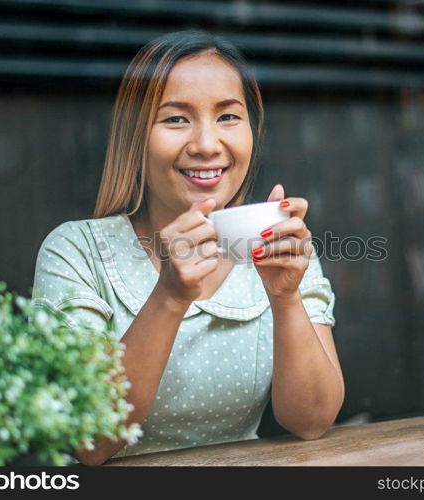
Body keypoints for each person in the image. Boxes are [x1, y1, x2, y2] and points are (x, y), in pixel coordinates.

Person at [32, 30, 344, 466]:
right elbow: (90, 442)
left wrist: (286, 297)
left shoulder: (278, 244)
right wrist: (170, 296)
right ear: (136, 136)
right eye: (176, 119)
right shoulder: (77, 251)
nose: (205, 145)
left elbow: (311, 421)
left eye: (228, 117)